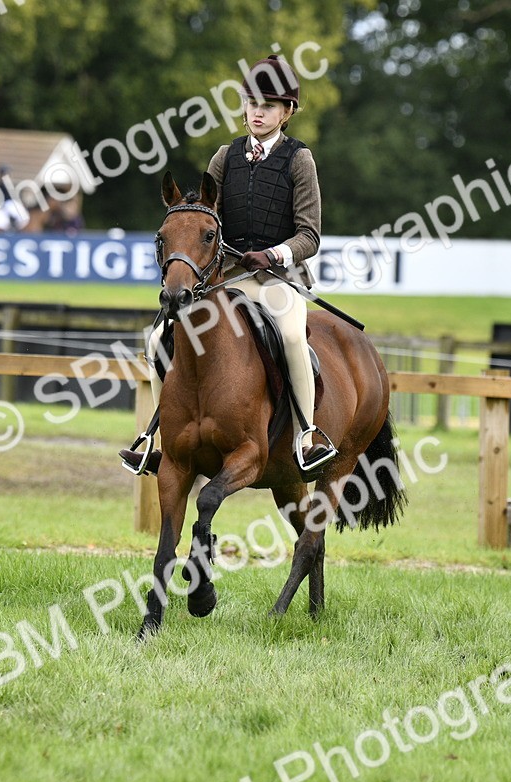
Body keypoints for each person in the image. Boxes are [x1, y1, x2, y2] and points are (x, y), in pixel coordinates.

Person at [121, 54, 333, 475]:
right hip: (226, 279)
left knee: (292, 337)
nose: (258, 112)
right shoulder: (226, 155)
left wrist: (272, 254)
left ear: (287, 112)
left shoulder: (299, 160)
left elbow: (309, 236)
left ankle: (307, 436)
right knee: (156, 340)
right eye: (252, 103)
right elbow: (205, 210)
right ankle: (155, 438)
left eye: (268, 106)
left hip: (277, 279)